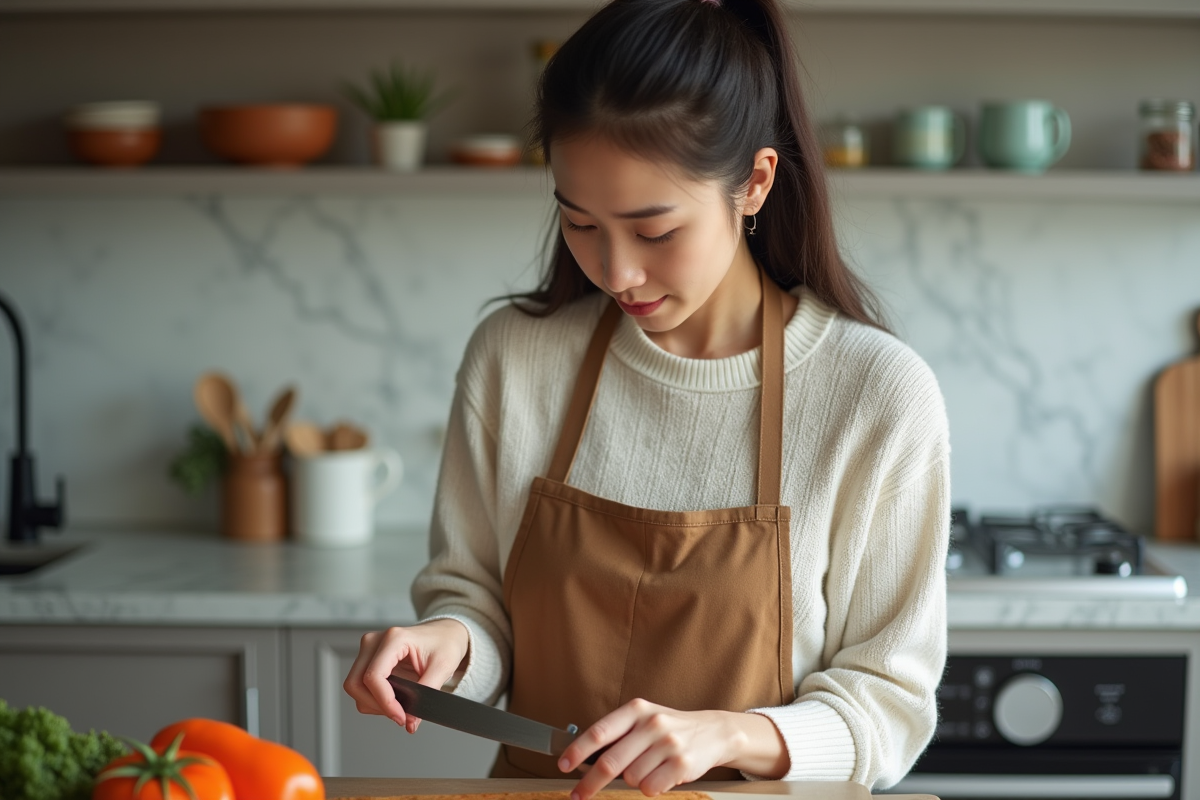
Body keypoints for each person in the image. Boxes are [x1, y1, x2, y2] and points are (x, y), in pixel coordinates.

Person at [343, 0, 950, 795]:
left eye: (655, 231)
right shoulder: (514, 360)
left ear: (755, 183)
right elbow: (480, 598)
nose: (616, 271)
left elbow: (889, 704)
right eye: (580, 223)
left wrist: (730, 732)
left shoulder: (875, 395)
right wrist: (450, 640)